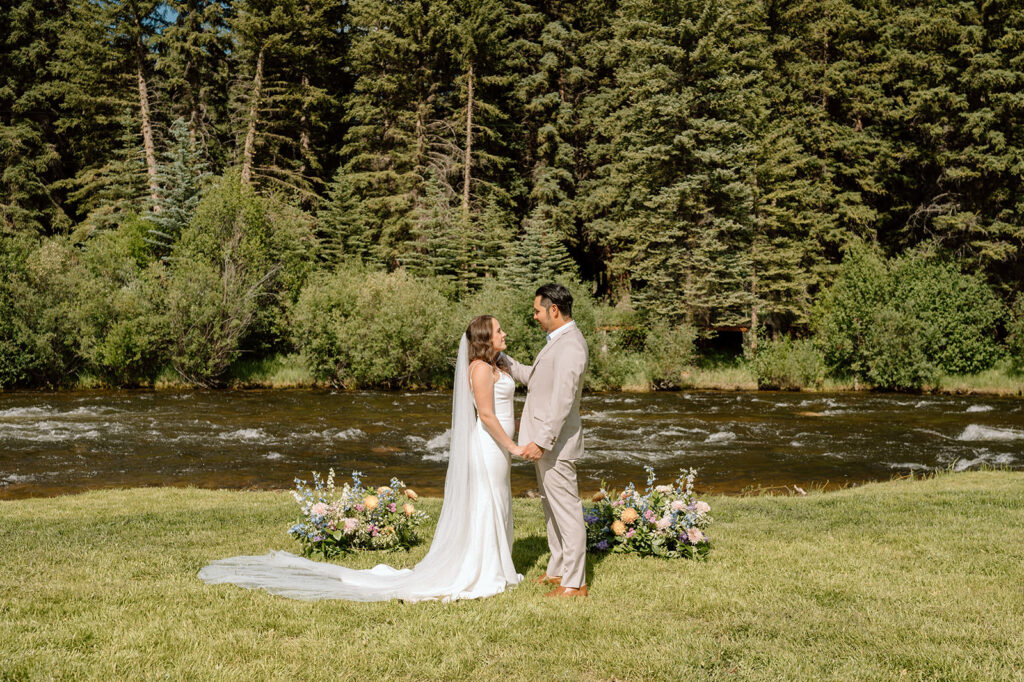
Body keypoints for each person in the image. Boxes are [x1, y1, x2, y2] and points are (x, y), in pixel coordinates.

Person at [197, 316, 523, 602]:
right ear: (484, 338)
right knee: (487, 502)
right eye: (498, 330)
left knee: (498, 500)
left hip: (500, 448)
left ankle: (498, 564)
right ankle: (484, 569)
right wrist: (515, 446)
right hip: (490, 446)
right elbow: (489, 417)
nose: (504, 333)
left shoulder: (498, 363)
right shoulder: (480, 369)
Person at [504, 284, 590, 598]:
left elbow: (563, 401)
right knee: (551, 508)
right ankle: (558, 570)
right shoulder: (558, 342)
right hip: (547, 444)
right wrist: (505, 361)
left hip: (556, 444)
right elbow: (537, 380)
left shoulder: (571, 346)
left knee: (566, 510)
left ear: (554, 309)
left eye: (538, 310)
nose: (535, 316)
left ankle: (575, 583)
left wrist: (542, 441)